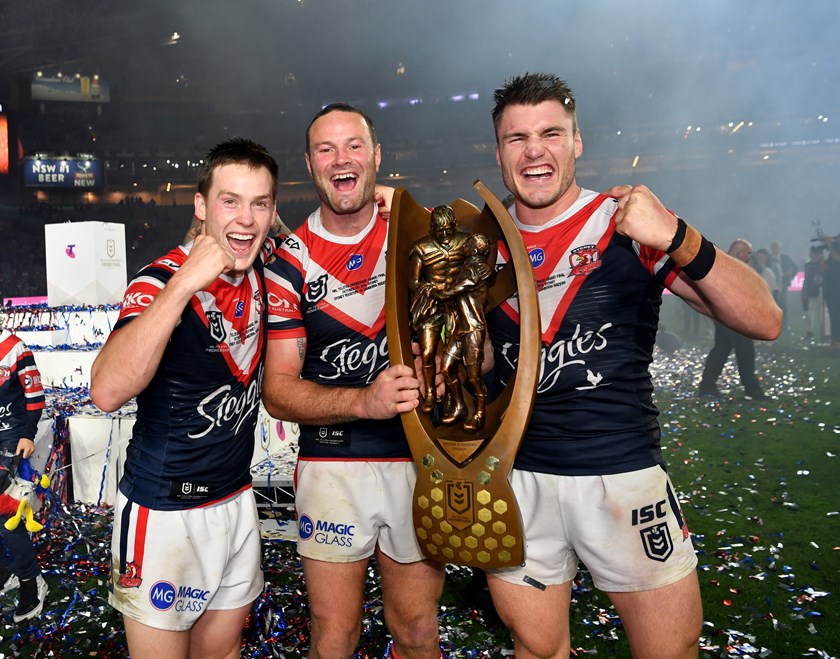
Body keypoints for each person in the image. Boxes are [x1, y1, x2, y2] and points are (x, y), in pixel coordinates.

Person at [482, 73, 782, 659]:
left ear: (577, 142)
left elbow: (764, 318)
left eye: (550, 133)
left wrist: (675, 234)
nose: (534, 149)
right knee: (536, 648)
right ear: (499, 153)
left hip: (621, 478)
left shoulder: (625, 223)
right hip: (516, 481)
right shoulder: (480, 243)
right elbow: (493, 361)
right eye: (516, 138)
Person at [262, 104, 444, 658]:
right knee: (335, 634)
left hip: (417, 460)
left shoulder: (418, 236)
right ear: (310, 165)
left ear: (377, 156)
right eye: (326, 148)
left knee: (415, 630)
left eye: (355, 145)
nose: (342, 159)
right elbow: (278, 390)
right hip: (333, 465)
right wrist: (366, 401)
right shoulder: (287, 260)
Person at [89, 137, 278, 659]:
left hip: (236, 500)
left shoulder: (267, 266)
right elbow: (105, 391)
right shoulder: (156, 280)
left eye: (259, 203)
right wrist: (183, 285)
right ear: (201, 206)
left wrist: (388, 198)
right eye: (230, 200)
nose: (245, 218)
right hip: (165, 511)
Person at [408, 205, 485, 427]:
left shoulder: (465, 242)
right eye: (438, 230)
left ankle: (455, 401)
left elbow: (480, 265)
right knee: (428, 352)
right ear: (431, 228)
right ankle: (431, 393)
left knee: (458, 361)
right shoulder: (421, 248)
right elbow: (413, 282)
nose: (443, 234)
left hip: (459, 309)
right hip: (432, 306)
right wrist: (431, 290)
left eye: (447, 229)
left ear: (454, 226)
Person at [0, 328, 48, 622]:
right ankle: (7, 574)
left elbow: (35, 395)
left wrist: (28, 435)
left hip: (11, 439)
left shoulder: (15, 347)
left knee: (8, 518)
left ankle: (32, 582)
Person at [697, 240, 769, 399]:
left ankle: (707, 386)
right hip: (732, 316)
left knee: (721, 351)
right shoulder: (729, 266)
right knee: (745, 350)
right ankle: (752, 389)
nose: (750, 256)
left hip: (725, 315)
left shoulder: (725, 263)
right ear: (739, 252)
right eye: (748, 253)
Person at [801, 244, 828, 343]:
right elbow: (806, 279)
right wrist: (804, 291)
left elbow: (827, 277)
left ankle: (826, 333)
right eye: (812, 253)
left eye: (816, 254)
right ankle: (809, 332)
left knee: (823, 314)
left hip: (822, 291)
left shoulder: (824, 264)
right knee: (808, 313)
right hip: (810, 292)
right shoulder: (808, 265)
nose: (814, 255)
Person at [821, 232, 840, 350]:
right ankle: (835, 340)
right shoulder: (834, 251)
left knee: (837, 315)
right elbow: (827, 267)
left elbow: (837, 259)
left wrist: (830, 247)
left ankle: (837, 341)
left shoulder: (834, 251)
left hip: (838, 289)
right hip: (832, 288)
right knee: (834, 315)